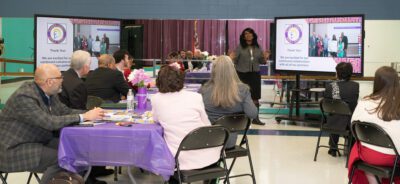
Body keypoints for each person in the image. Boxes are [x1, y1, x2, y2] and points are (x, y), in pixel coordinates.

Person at [0, 64, 104, 184]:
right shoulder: (24, 97)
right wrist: (84, 117)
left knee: (75, 149)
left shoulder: (49, 93)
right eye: (60, 77)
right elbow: (49, 122)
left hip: (37, 141)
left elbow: (65, 111)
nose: (63, 80)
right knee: (61, 158)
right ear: (49, 82)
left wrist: (92, 113)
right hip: (13, 149)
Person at [151, 65, 220, 184]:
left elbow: (156, 120)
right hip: (209, 155)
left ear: (159, 81)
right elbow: (207, 125)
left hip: (180, 158)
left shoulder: (156, 99)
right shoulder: (196, 97)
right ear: (180, 79)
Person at [348, 66, 400, 184]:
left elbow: (353, 126)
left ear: (376, 82)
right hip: (394, 158)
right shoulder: (397, 105)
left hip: (368, 154)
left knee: (357, 147)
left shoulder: (364, 102)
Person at [199, 55, 258, 148]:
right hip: (229, 142)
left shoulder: (204, 90)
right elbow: (253, 114)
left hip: (207, 141)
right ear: (232, 69)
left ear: (214, 70)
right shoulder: (243, 90)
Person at [231, 27, 268, 125]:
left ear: (253, 35)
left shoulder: (258, 47)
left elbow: (262, 61)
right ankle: (239, 119)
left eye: (250, 33)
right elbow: (234, 60)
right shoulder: (239, 47)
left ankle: (256, 119)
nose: (248, 35)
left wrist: (265, 58)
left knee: (255, 97)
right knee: (240, 96)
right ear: (243, 37)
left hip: (255, 74)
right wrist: (231, 57)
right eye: (246, 34)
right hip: (242, 74)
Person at [323, 62, 359, 157]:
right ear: (350, 73)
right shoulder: (355, 86)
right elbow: (353, 103)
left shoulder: (330, 86)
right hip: (349, 124)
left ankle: (333, 148)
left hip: (332, 123)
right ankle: (351, 148)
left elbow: (327, 103)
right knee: (347, 115)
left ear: (337, 73)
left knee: (335, 115)